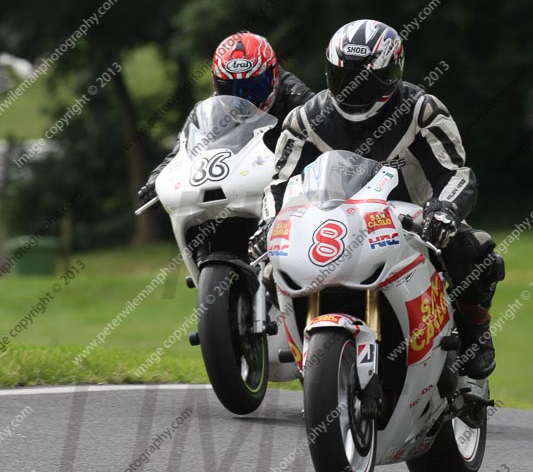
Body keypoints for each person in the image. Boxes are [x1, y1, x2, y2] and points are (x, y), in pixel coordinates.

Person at [249, 19, 504, 380]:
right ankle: (308, 344)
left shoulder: (422, 110)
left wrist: (445, 209)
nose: (353, 90)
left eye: (365, 79)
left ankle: (476, 332)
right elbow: (279, 185)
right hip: (332, 220)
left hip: (415, 218)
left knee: (474, 251)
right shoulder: (304, 121)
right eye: (344, 78)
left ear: (391, 73)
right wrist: (269, 223)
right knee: (272, 268)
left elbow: (456, 172)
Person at [137, 31, 314, 203]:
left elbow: (329, 123)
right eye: (230, 88)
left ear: (273, 76)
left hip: (291, 189)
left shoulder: (295, 94)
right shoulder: (210, 111)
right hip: (237, 191)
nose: (242, 99)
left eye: (254, 88)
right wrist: (157, 178)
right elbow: (181, 152)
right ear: (216, 83)